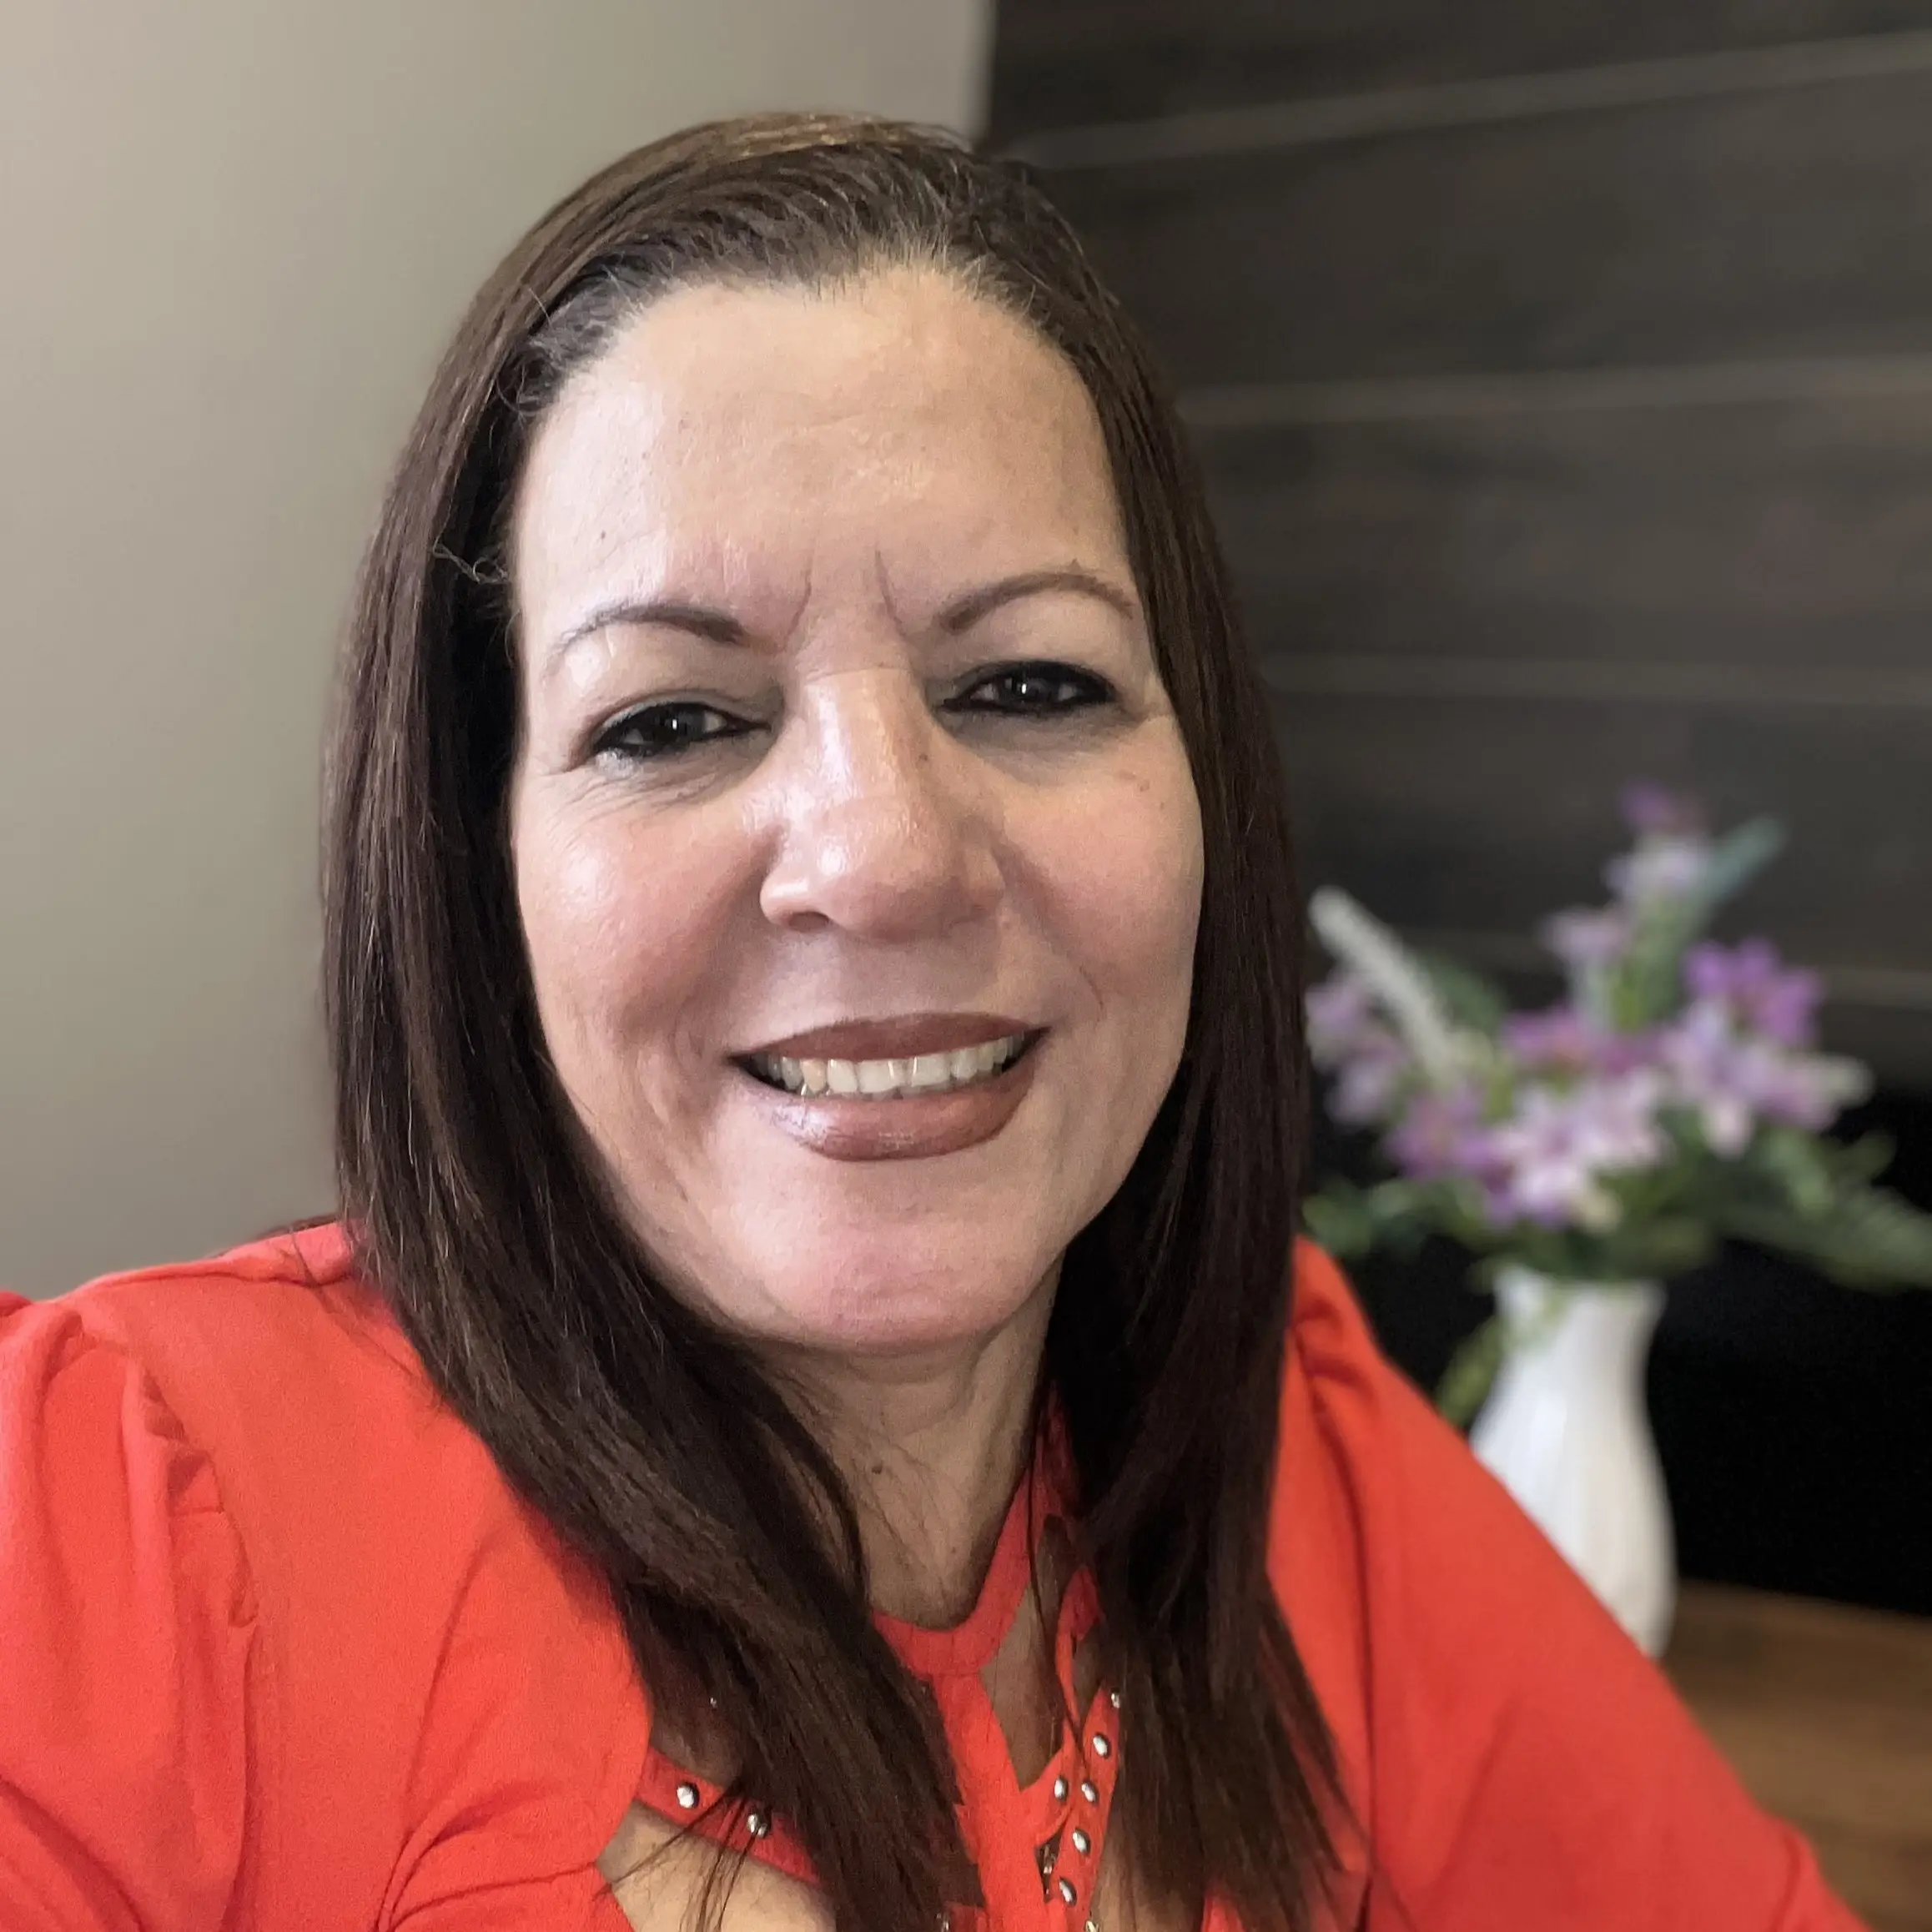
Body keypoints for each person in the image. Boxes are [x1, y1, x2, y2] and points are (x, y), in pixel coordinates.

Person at [0, 113, 1865, 1932]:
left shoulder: (1298, 1448)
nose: (882, 858)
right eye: (672, 720)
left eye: (1030, 684)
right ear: (478, 873)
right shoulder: (126, 1521)